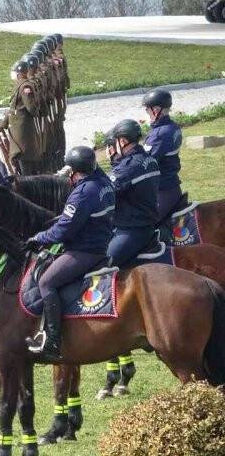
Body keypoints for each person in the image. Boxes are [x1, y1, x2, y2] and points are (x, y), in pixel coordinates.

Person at [24, 146, 114, 360]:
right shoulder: (104, 183)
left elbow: (63, 231)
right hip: (101, 244)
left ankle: (52, 341)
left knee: (46, 282)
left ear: (75, 171)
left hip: (84, 251)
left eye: (70, 169)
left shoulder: (82, 194)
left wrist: (38, 238)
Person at [105, 120, 160, 267]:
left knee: (101, 265)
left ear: (122, 141)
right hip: (143, 225)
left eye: (115, 142)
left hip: (130, 231)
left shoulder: (128, 167)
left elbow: (104, 193)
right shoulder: (149, 159)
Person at [141, 89, 184, 223]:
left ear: (156, 110)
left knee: (141, 225)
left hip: (161, 191)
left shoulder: (159, 134)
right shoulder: (173, 127)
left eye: (147, 110)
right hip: (172, 187)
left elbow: (144, 163)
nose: (147, 113)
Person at [0, 59, 41, 176]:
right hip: (17, 132)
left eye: (14, 71)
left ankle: (28, 184)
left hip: (23, 133)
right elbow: (13, 109)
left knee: (24, 161)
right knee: (19, 162)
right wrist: (2, 125)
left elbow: (32, 109)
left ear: (19, 73)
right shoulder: (19, 86)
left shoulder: (25, 87)